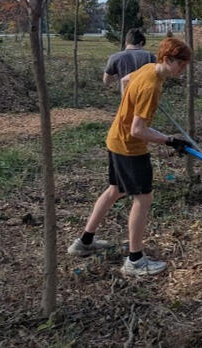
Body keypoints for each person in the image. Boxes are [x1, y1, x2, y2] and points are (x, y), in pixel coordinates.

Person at [68, 37, 194, 277]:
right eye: (181, 64)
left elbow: (125, 80)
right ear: (168, 59)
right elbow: (138, 130)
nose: (183, 69)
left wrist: (128, 107)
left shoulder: (148, 69)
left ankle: (84, 242)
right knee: (143, 198)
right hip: (129, 147)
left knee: (115, 190)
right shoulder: (151, 86)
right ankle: (135, 260)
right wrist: (170, 140)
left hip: (116, 138)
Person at [103, 28, 156, 93]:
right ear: (141, 43)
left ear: (126, 43)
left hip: (125, 94)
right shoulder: (150, 56)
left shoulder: (115, 57)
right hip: (146, 93)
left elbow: (106, 80)